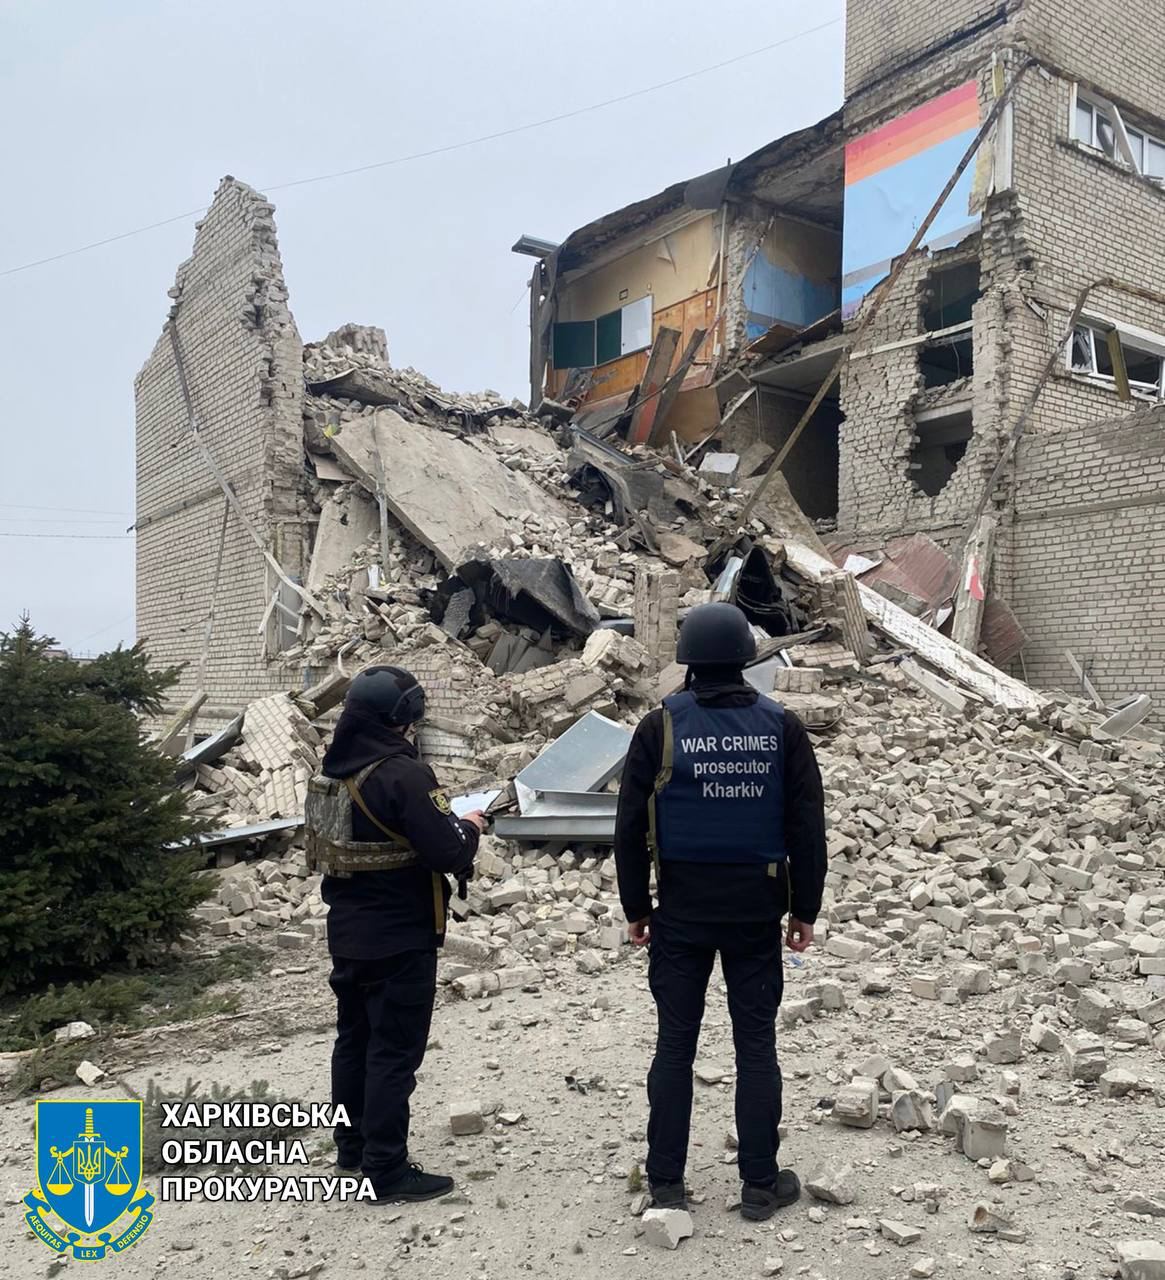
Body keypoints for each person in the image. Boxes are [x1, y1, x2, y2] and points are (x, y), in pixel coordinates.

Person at [614, 602, 827, 1221]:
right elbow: (807, 827)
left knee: (675, 1046)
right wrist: (804, 909)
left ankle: (665, 1183)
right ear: (744, 659)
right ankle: (760, 1184)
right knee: (755, 1046)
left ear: (688, 661)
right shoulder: (781, 727)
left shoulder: (660, 726)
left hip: (680, 912)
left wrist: (636, 906)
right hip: (755, 913)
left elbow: (628, 828)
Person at [305, 664, 484, 1204]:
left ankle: (352, 1149)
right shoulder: (404, 774)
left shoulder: (334, 770)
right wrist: (470, 826)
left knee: (353, 1042)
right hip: (400, 934)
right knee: (393, 1052)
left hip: (347, 931)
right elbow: (449, 852)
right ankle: (385, 1171)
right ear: (404, 716)